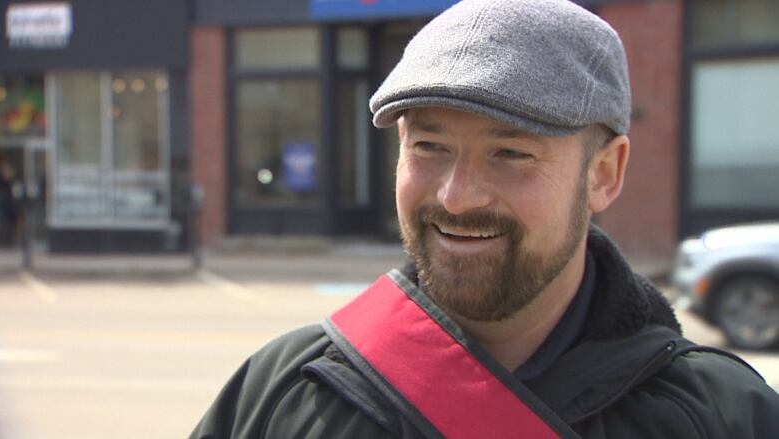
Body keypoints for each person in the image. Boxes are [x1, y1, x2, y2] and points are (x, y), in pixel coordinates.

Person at [191, 0, 779, 437]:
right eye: (428, 147)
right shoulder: (283, 395)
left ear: (604, 173)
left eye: (511, 153)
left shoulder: (723, 418)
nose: (456, 197)